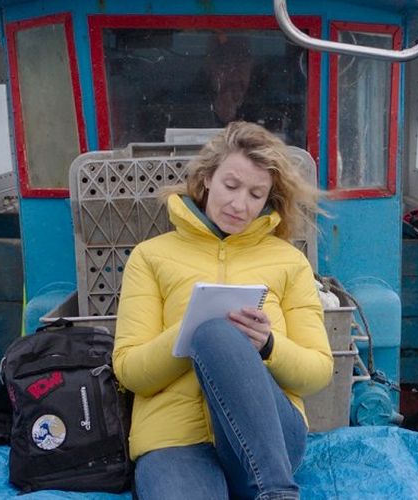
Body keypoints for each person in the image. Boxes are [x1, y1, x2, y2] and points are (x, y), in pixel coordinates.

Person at [113, 122, 333, 500]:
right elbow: (130, 371)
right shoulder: (150, 257)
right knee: (210, 331)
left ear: (267, 199)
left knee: (220, 333)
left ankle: (277, 494)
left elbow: (318, 371)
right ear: (207, 179)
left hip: (271, 443)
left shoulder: (290, 262)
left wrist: (268, 345)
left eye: (255, 194)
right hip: (175, 440)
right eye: (231, 186)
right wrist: (190, 331)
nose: (239, 204)